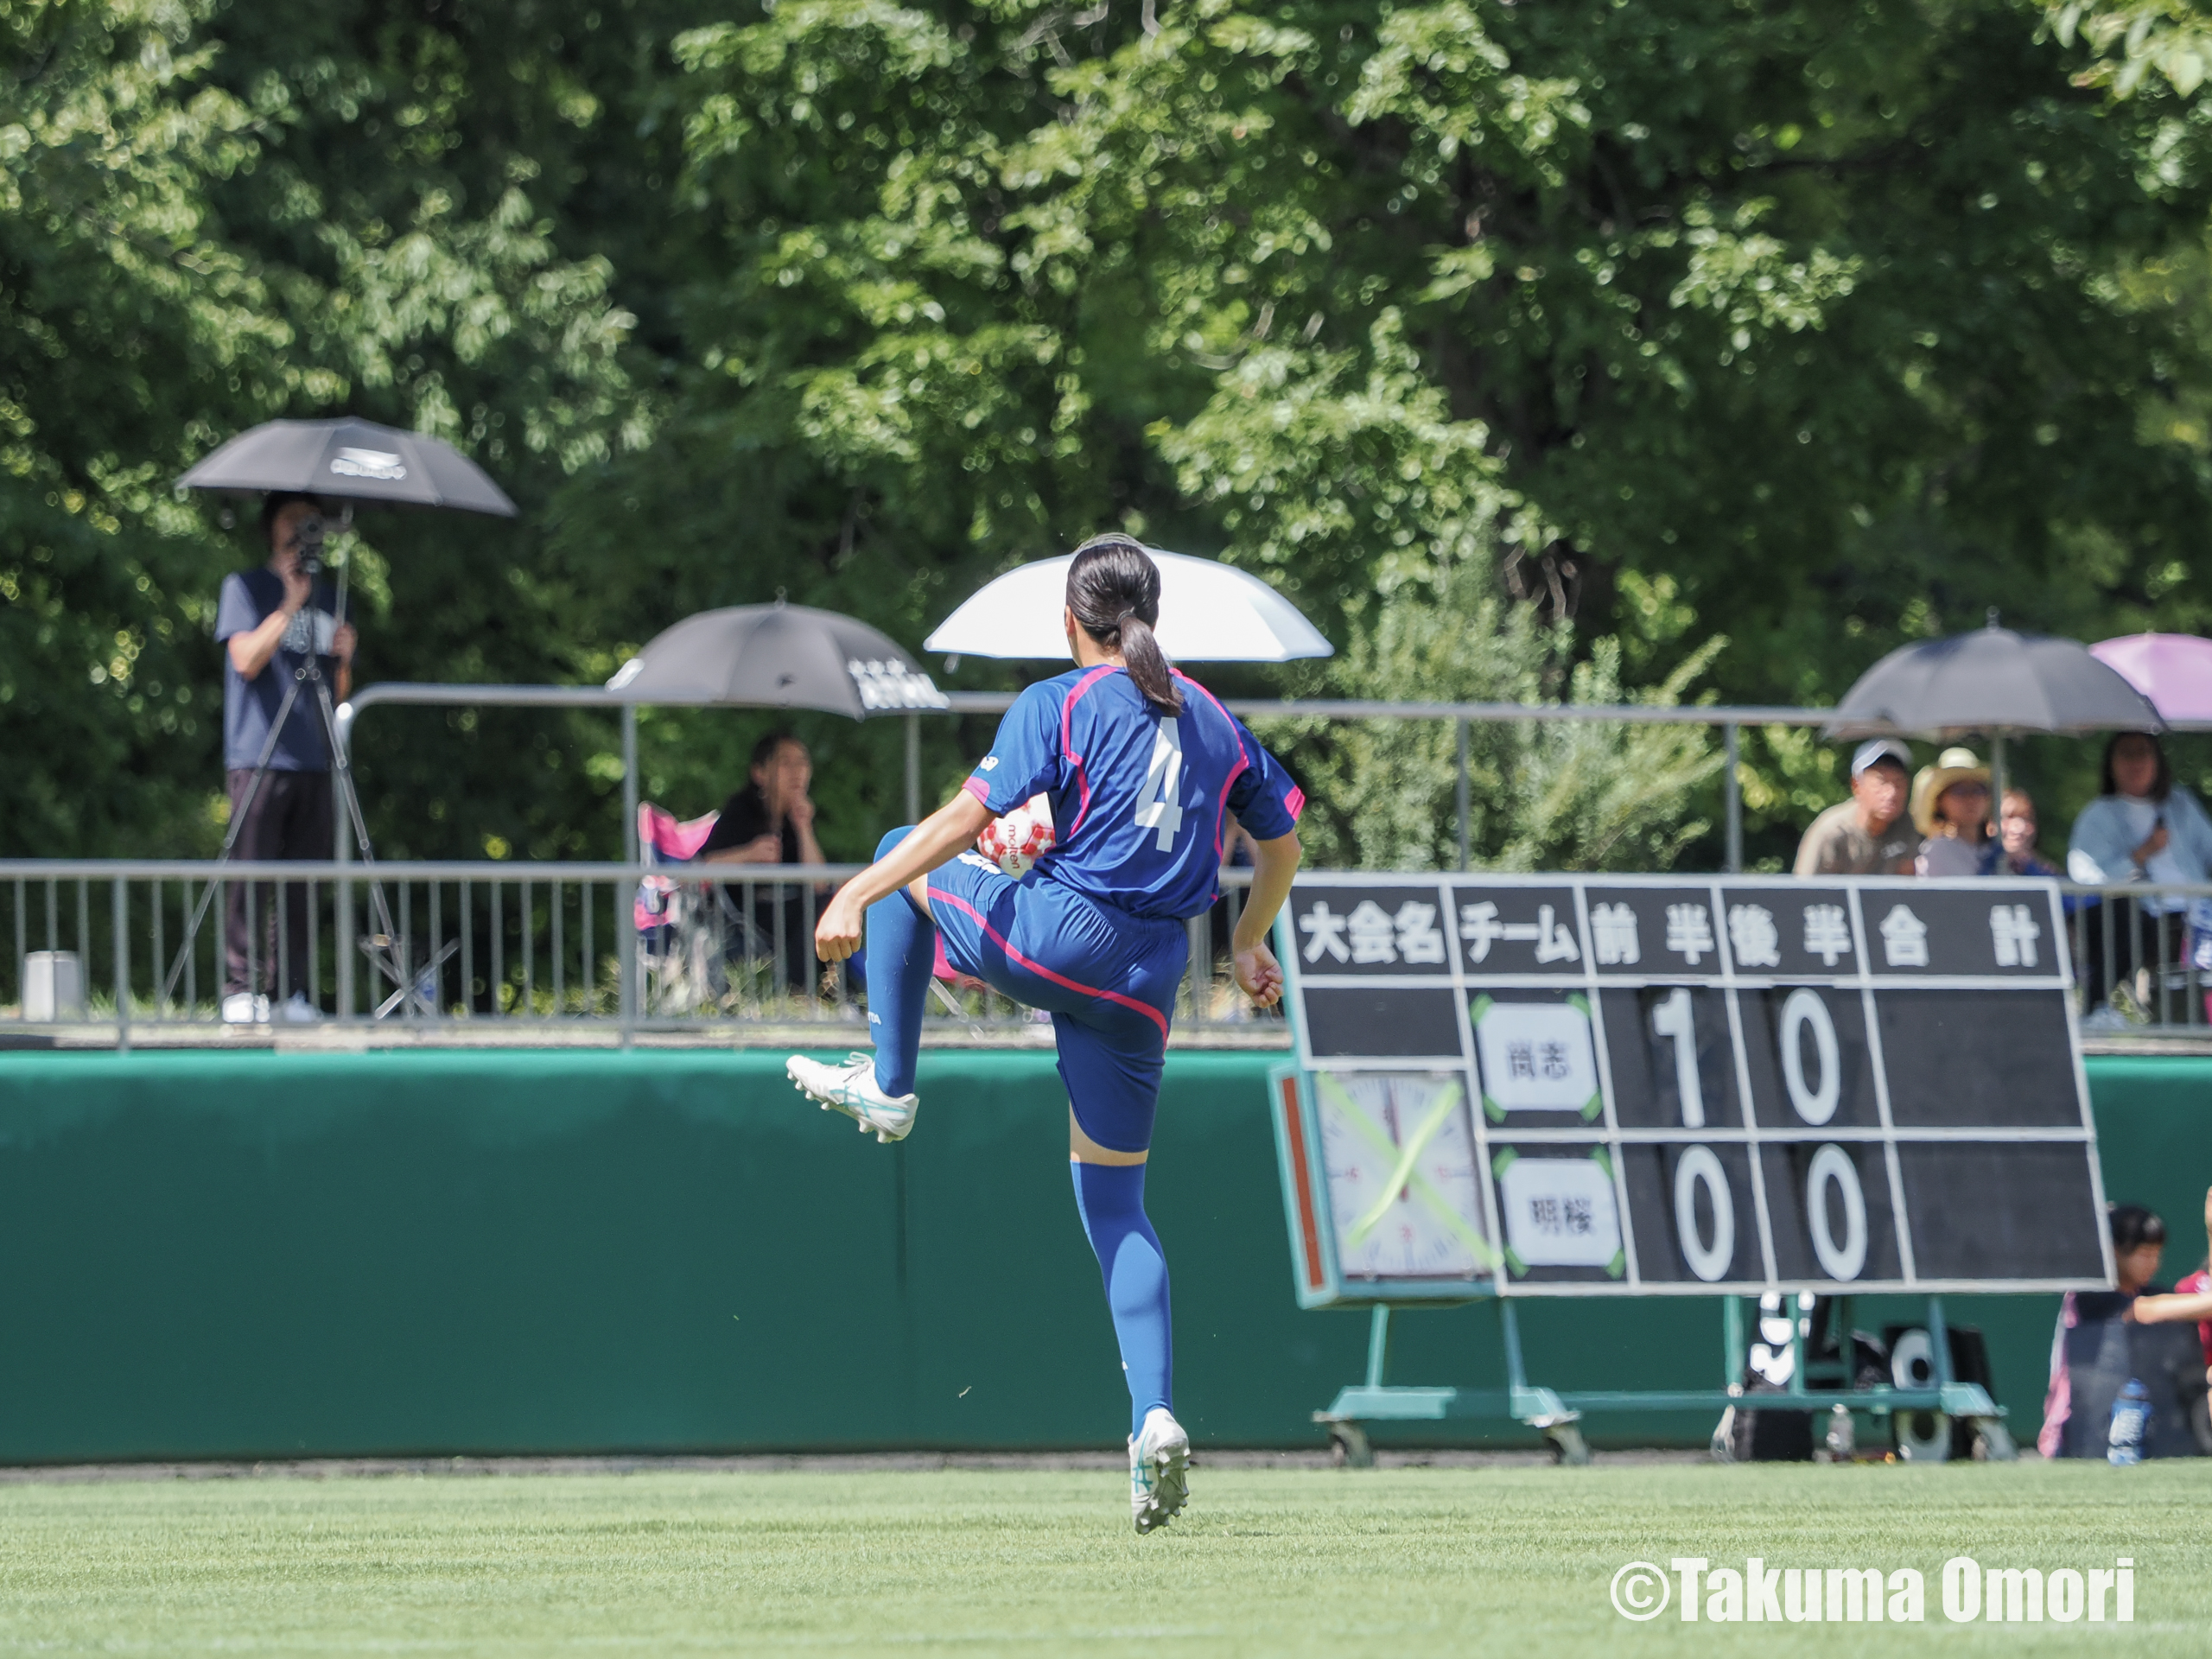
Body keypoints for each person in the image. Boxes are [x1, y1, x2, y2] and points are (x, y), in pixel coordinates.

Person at [785, 537, 1303, 1535]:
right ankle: (1153, 1418)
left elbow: (959, 821)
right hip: (1152, 983)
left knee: (896, 855)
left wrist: (854, 890)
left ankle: (889, 1085)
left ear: (1070, 621)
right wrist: (1246, 942)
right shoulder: (1213, 718)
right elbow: (1280, 845)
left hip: (1068, 940)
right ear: (1154, 617)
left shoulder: (1058, 702)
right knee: (1117, 1206)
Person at [213, 492, 357, 1024]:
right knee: (251, 876)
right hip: (259, 753)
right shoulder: (246, 587)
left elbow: (338, 693)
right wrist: (289, 606)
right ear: (272, 527)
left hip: (315, 756)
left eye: (312, 521)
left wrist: (345, 657)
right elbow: (245, 659)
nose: (303, 530)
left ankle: (291, 992)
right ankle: (241, 988)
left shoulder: (333, 596)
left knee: (303, 883)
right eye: (293, 519)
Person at [2067, 732, 2212, 1022]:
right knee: (2129, 916)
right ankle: (2095, 1008)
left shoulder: (2181, 804)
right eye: (2126, 754)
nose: (2136, 762)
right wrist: (2141, 854)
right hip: (2141, 913)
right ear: (2111, 764)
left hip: (2197, 911)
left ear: (2157, 760)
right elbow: (2085, 877)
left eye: (2143, 752)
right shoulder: (2098, 815)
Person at [2038, 1203, 2171, 1457]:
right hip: (2074, 1430)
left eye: (2157, 1254)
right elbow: (2143, 1311)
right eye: (2145, 1254)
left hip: (2129, 1428)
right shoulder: (2089, 1295)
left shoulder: (2149, 1292)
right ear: (2114, 1251)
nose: (2154, 1263)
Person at [701, 733, 827, 992]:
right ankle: (797, 991)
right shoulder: (741, 811)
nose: (797, 772)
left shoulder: (795, 820)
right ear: (759, 773)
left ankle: (824, 991)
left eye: (802, 763)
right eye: (785, 763)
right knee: (811, 911)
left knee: (825, 904)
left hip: (787, 912)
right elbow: (702, 866)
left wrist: (804, 827)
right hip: (741, 916)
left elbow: (819, 884)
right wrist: (749, 854)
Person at [1793, 739, 1916, 875]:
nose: (1892, 793)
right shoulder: (1831, 833)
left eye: (1899, 783)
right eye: (1881, 782)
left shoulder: (1907, 826)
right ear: (1856, 786)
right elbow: (1805, 886)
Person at [1910, 747, 1990, 878]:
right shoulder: (1939, 850)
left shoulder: (1997, 849)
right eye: (1960, 791)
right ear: (1940, 802)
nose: (1971, 799)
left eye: (1978, 791)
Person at [1982, 786, 2063, 879]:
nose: (2019, 827)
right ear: (1990, 825)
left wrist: (2028, 866)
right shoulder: (1977, 862)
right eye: (2009, 817)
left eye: (2026, 819)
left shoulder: (2046, 870)